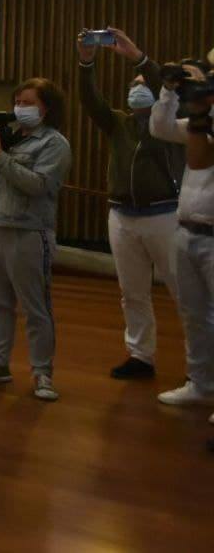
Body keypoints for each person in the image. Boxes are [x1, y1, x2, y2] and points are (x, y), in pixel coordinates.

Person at [77, 28, 183, 380]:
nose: (135, 87)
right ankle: (141, 356)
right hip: (122, 215)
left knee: (183, 291)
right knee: (132, 292)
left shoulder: (171, 125)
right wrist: (86, 62)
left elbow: (168, 84)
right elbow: (90, 100)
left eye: (142, 82)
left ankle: (202, 364)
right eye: (133, 82)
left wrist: (138, 56)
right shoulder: (119, 123)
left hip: (165, 213)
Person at [0, 78, 72, 401]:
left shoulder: (54, 144)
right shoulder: (8, 139)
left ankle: (42, 373)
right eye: (18, 102)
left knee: (35, 306)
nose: (20, 108)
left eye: (28, 103)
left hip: (27, 231)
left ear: (47, 108)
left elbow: (38, 185)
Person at [150, 59, 214, 413]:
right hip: (187, 229)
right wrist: (169, 89)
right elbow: (159, 127)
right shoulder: (196, 122)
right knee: (193, 315)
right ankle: (200, 383)